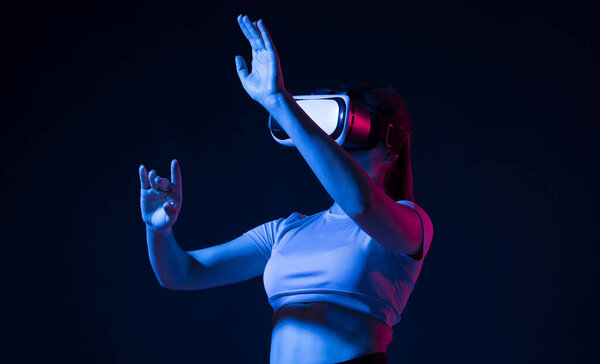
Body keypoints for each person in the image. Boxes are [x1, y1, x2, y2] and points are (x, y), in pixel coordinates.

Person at [138, 14, 434, 364]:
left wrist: (279, 101)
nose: (338, 147)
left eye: (351, 137)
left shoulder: (411, 224)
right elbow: (181, 273)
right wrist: (159, 231)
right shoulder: (285, 232)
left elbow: (361, 206)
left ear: (390, 149)